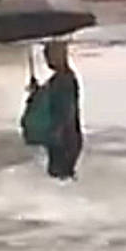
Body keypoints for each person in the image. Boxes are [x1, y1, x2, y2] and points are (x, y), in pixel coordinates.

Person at [37, 40, 83, 180]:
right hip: (64, 133)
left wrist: (59, 129)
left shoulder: (64, 80)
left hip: (63, 134)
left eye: (48, 55)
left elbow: (68, 108)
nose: (46, 60)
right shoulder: (62, 79)